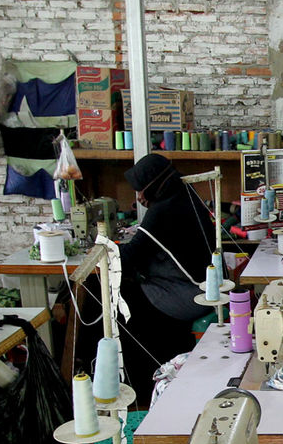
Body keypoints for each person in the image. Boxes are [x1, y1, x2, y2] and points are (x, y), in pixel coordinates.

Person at [76, 154, 215, 405]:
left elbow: (129, 258)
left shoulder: (162, 210)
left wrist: (102, 247)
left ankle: (118, 378)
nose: (138, 196)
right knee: (117, 289)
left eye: (141, 188)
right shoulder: (185, 194)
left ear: (154, 184)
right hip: (205, 286)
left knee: (106, 294)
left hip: (187, 295)